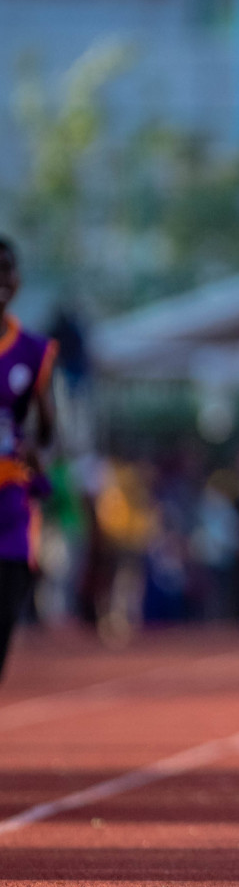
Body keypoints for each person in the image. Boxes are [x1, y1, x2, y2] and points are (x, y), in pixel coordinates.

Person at [0, 237, 57, 685]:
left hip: (12, 504)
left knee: (4, 617)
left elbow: (48, 428)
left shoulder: (35, 351)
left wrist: (39, 448)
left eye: (8, 270)